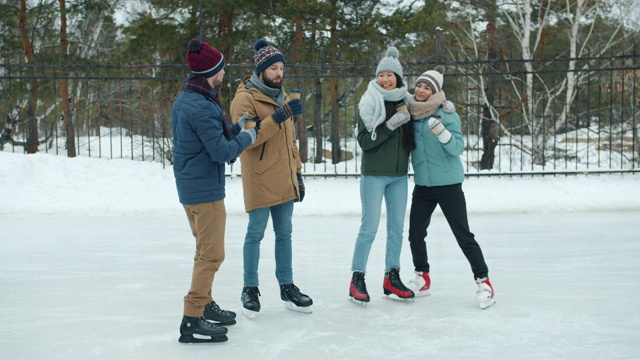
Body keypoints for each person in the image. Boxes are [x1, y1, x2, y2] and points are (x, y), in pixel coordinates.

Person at [172, 38, 260, 343]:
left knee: (203, 251)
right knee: (211, 256)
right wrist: (248, 138)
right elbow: (221, 152)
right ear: (212, 71)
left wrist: (238, 127)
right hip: (205, 191)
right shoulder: (201, 106)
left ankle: (205, 303)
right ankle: (192, 318)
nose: (225, 72)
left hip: (192, 186)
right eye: (222, 68)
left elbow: (210, 138)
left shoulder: (192, 96)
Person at [229, 39, 312, 318]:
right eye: (273, 68)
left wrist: (297, 172)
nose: (278, 73)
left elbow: (291, 140)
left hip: (284, 176)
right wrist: (278, 116)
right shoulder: (245, 98)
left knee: (285, 234)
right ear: (261, 69)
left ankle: (287, 286)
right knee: (255, 233)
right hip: (260, 177)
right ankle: (249, 288)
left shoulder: (282, 95)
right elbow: (247, 139)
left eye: (281, 68)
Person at [406, 65, 496, 309]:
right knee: (415, 234)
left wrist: (442, 132)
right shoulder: (411, 114)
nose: (421, 90)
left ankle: (484, 283)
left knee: (463, 235)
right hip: (423, 184)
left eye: (427, 87)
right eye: (419, 85)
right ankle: (422, 277)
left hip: (449, 184)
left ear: (435, 91)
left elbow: (457, 148)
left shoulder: (447, 114)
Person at [348, 46, 416, 304]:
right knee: (369, 228)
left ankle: (391, 277)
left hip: (399, 176)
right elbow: (365, 142)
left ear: (398, 78)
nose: (385, 79)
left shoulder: (406, 100)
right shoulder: (368, 102)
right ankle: (357, 278)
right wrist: (388, 126)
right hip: (374, 175)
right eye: (381, 74)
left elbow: (425, 108)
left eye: (390, 75)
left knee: (397, 230)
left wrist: (443, 104)